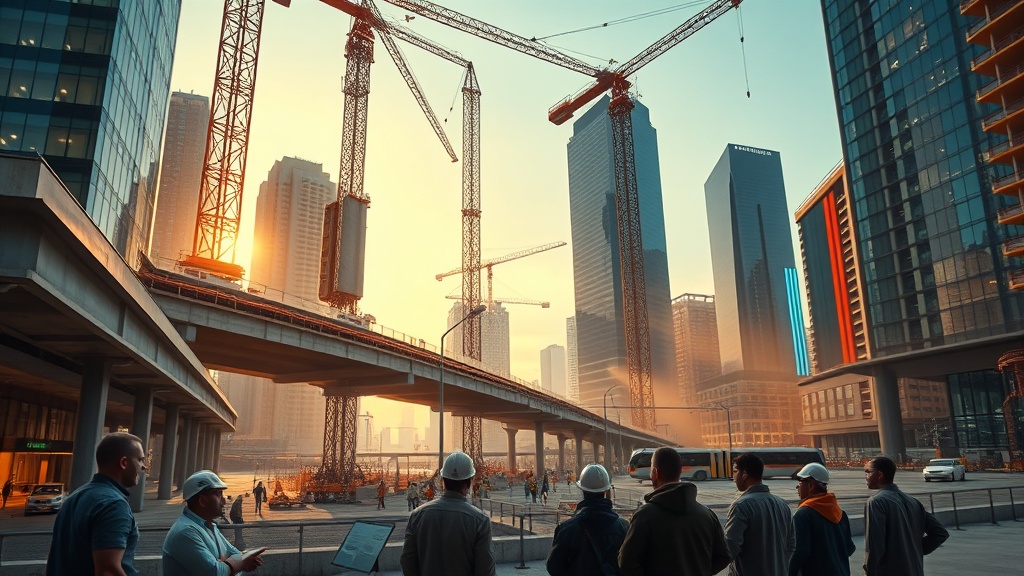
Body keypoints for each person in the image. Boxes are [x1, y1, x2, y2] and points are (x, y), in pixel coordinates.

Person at [46, 432, 147, 576]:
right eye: (140, 460)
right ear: (124, 463)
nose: (143, 466)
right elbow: (108, 571)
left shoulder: (75, 496)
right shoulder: (113, 505)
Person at [618, 447, 730, 576]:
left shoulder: (645, 515)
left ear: (655, 473)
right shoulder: (707, 515)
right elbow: (723, 557)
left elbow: (627, 563)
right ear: (680, 472)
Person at [400, 451, 496, 576]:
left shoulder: (418, 515)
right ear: (469, 482)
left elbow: (407, 561)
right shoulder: (480, 521)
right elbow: (485, 570)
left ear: (443, 480)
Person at [162, 470, 266, 576]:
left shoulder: (210, 527)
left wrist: (226, 564)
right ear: (202, 501)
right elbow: (216, 572)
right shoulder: (186, 532)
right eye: (218, 495)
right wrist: (236, 564)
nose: (224, 500)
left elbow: (235, 553)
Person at [863, 456, 948, 576]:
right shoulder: (913, 501)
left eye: (868, 472)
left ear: (880, 475)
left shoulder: (876, 502)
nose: (865, 477)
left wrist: (870, 571)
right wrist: (915, 550)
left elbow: (875, 545)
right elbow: (940, 533)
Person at [546, 464, 628, 576]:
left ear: (582, 490)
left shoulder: (567, 529)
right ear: (606, 490)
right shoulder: (623, 527)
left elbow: (554, 568)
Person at [725, 453, 795, 576]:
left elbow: (730, 546)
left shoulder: (741, 506)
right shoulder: (783, 505)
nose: (734, 477)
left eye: (735, 471)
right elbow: (791, 545)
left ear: (745, 474)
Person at [788, 463, 855, 576]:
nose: (797, 487)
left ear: (811, 485)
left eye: (800, 482)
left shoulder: (803, 514)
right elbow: (849, 548)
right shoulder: (840, 513)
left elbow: (800, 551)